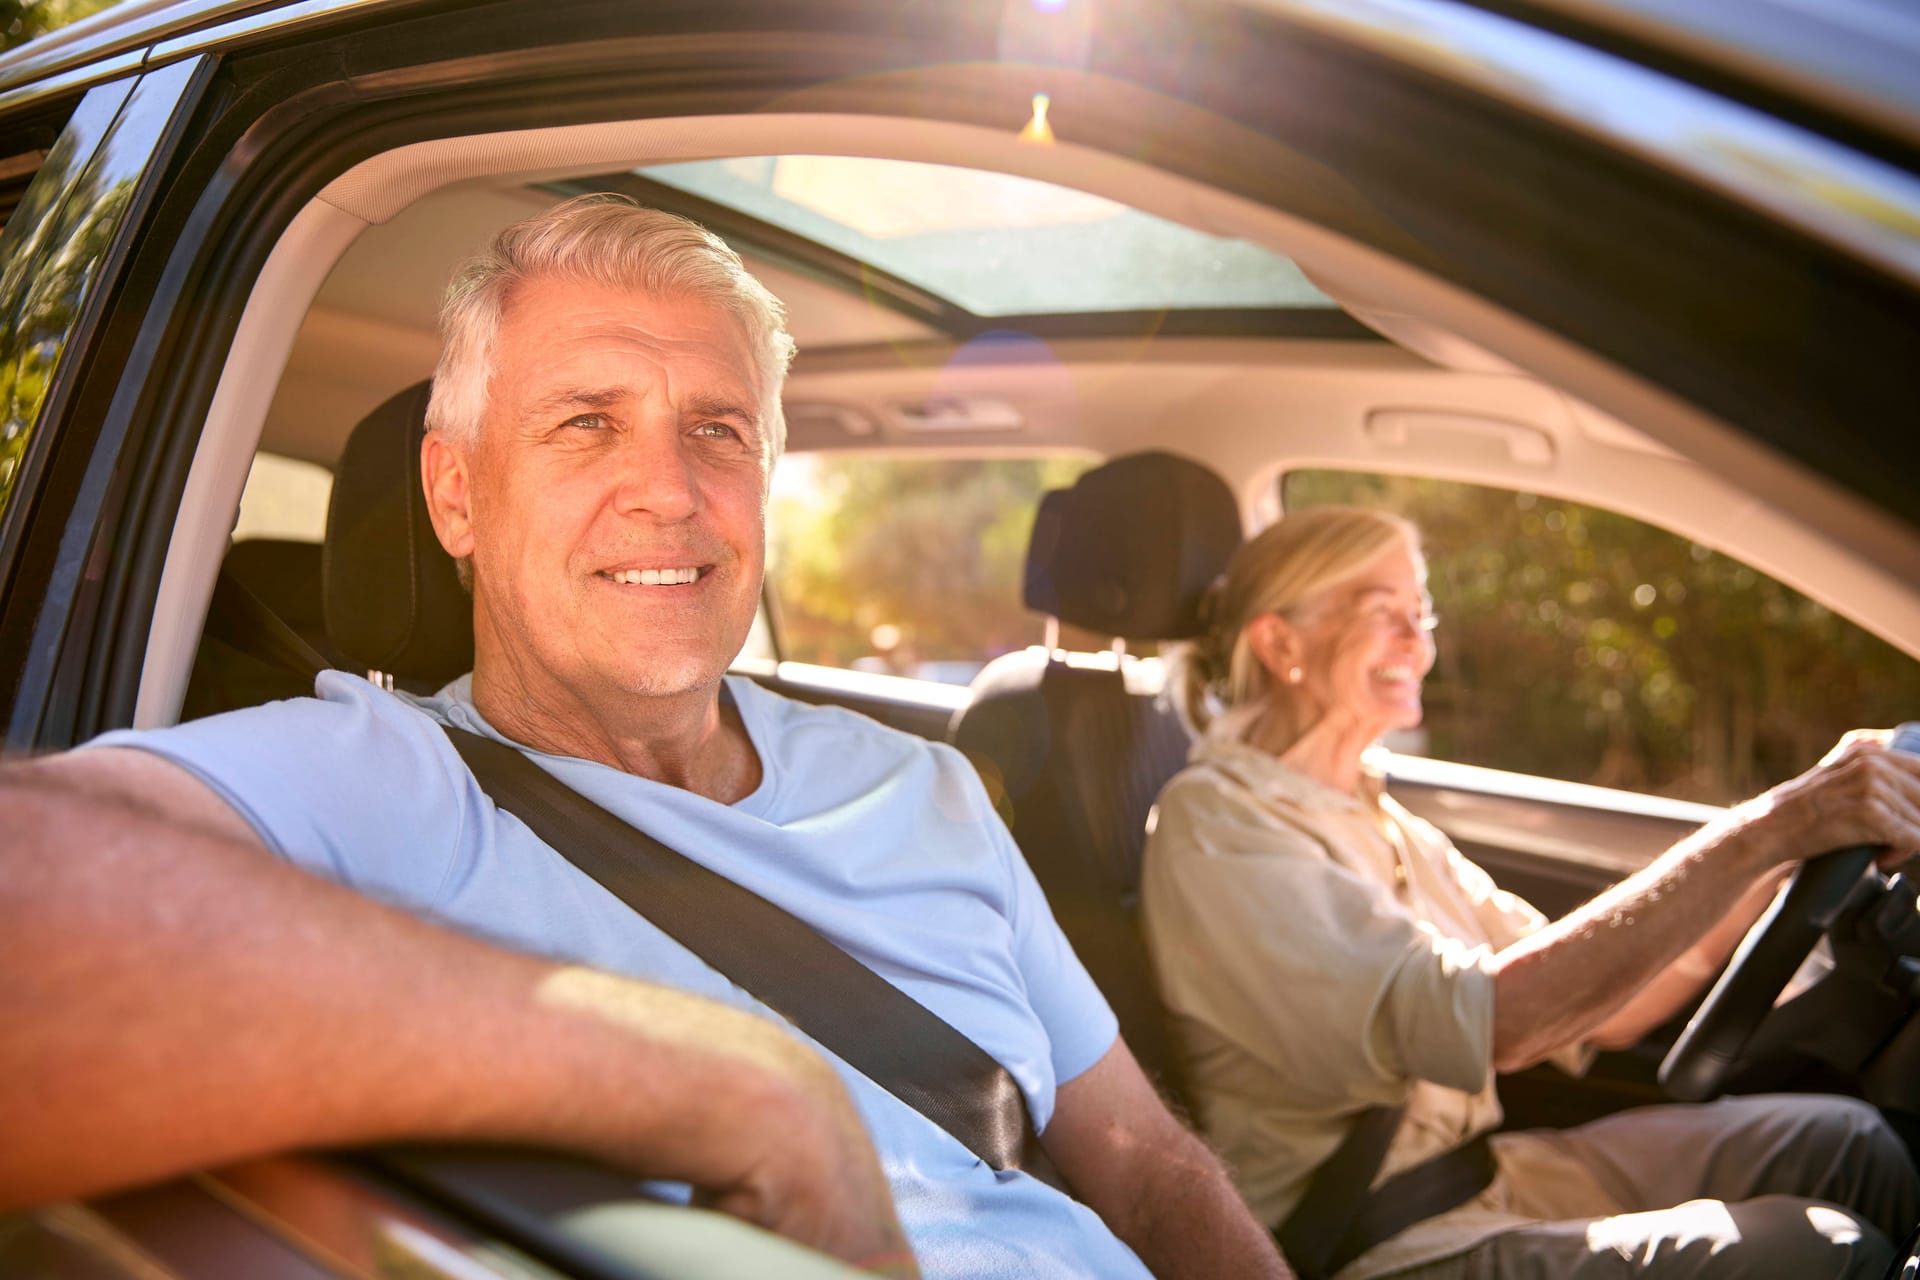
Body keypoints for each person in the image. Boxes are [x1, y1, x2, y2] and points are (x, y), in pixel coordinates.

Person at [0, 196, 1292, 1280]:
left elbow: (1141, 1158)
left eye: (716, 432)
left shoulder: (931, 786)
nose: (669, 493)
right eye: (586, 423)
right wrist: (743, 1092)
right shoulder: (364, 781)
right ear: (456, 495)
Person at [1140, 503, 1920, 1279]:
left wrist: (1774, 865)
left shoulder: (1379, 816)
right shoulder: (1218, 825)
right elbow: (1504, 1020)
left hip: (1485, 1177)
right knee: (1819, 1256)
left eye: (1422, 611)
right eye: (1386, 614)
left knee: (1855, 1147)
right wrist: (1765, 827)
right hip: (1373, 1241)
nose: (1420, 641)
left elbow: (1598, 1012)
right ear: (1280, 643)